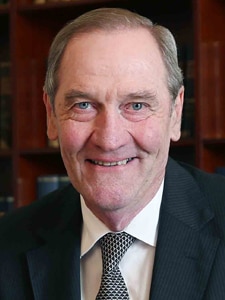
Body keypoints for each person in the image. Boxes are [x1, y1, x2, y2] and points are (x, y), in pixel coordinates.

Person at [0, 7, 225, 300]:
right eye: (83, 105)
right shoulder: (6, 248)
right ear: (50, 115)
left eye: (136, 106)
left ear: (175, 112)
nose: (109, 140)